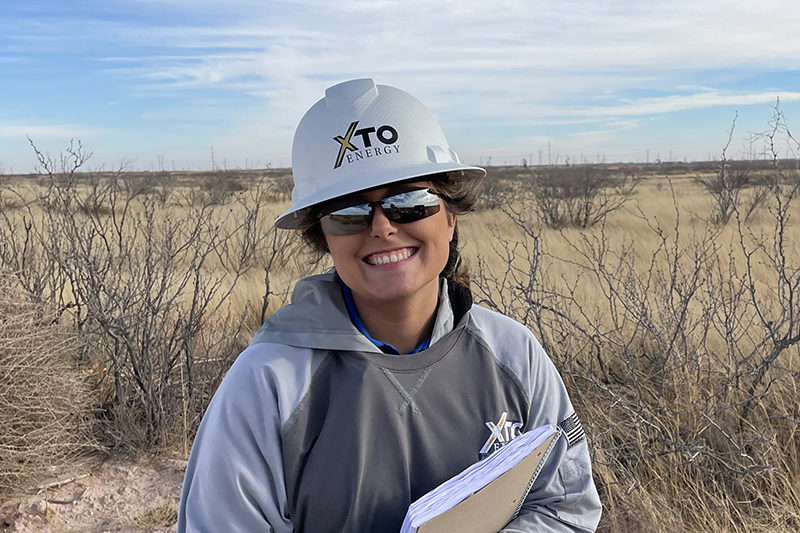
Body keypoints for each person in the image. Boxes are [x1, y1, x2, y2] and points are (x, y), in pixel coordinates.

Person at [178, 78, 602, 532]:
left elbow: (565, 506)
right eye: (349, 212)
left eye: (409, 202)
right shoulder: (268, 382)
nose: (381, 227)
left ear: (450, 217)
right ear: (323, 236)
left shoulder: (514, 353)